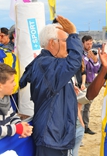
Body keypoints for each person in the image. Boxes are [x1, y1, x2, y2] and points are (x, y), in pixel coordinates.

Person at [19, 15, 83, 156]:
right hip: (51, 136)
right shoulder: (46, 64)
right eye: (66, 41)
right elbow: (74, 62)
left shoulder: (49, 63)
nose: (68, 45)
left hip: (56, 135)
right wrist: (73, 34)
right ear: (52, 43)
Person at [0, 63, 33, 138]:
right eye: (12, 81)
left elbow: (12, 115)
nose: (15, 84)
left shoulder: (5, 99)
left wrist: (20, 125)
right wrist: (16, 128)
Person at [82, 35, 100, 135]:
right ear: (83, 43)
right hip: (83, 84)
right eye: (87, 43)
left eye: (91, 43)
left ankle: (86, 126)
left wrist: (96, 60)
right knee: (82, 107)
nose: (89, 45)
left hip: (92, 83)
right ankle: (80, 127)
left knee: (88, 107)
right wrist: (87, 58)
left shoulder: (92, 54)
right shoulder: (80, 54)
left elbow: (97, 70)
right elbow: (81, 67)